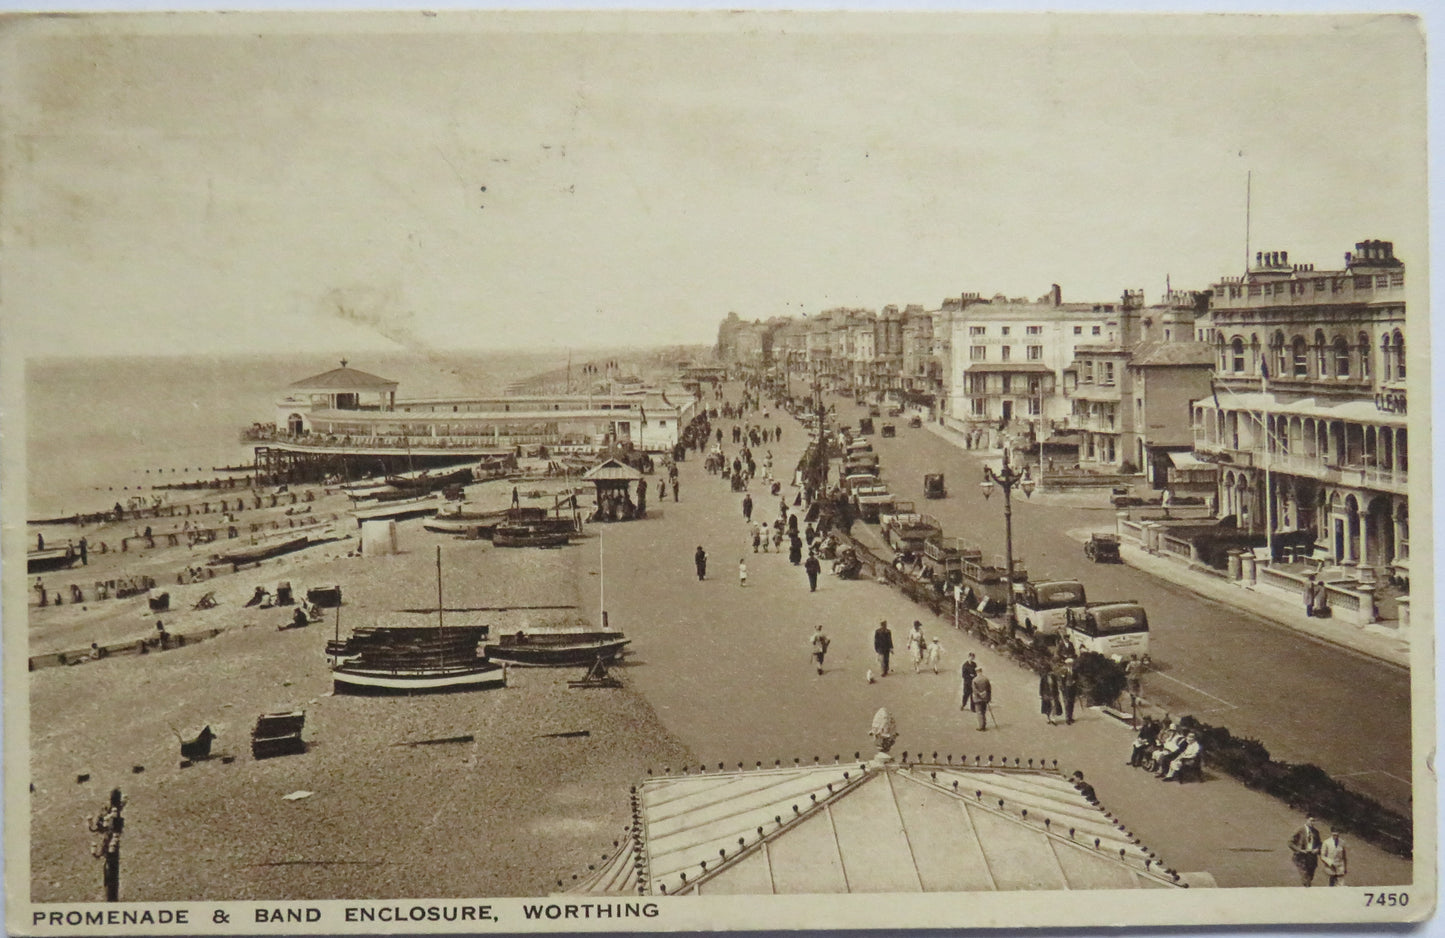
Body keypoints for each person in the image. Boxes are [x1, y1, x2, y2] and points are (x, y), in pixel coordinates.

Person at [1289, 816, 1323, 886]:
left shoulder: (1316, 832)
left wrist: (1318, 849)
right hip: (1302, 857)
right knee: (1305, 876)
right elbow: (1290, 842)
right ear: (1306, 820)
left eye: (1314, 821)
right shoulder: (1300, 830)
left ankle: (1307, 887)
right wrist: (1300, 850)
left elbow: (1319, 843)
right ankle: (1306, 891)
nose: (1312, 823)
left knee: (1310, 876)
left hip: (1312, 857)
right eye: (1311, 821)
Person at [1057, 659, 1080, 724]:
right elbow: (1062, 681)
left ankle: (1070, 717)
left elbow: (1077, 678)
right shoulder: (1064, 671)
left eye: (1071, 663)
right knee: (1067, 704)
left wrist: (1074, 681)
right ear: (1067, 664)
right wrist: (1063, 689)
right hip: (1066, 689)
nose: (1070, 665)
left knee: (1071, 704)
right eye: (1069, 664)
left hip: (1072, 689)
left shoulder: (1074, 670)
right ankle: (1067, 719)